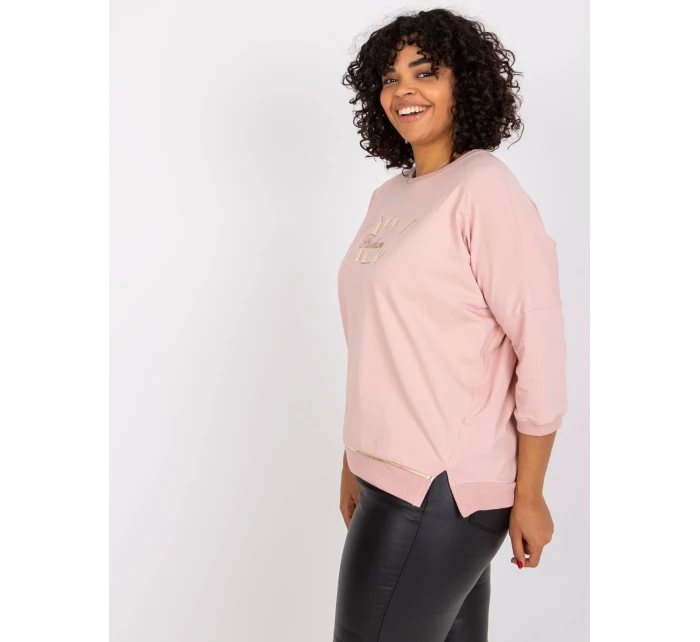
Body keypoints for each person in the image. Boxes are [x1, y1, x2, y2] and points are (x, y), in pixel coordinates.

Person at [333, 8, 568, 642]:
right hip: (386, 474)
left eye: (425, 72)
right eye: (389, 77)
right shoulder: (390, 197)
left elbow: (539, 341)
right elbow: (381, 343)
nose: (402, 89)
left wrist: (530, 492)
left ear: (465, 82)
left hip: (443, 489)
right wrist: (354, 457)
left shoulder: (484, 187)